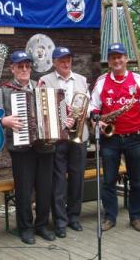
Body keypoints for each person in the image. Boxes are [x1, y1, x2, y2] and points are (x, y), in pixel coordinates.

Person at [0, 50, 66, 244]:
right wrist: (4, 120)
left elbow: (58, 109)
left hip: (45, 146)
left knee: (45, 188)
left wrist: (63, 119)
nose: (24, 69)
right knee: (24, 190)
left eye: (27, 66)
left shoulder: (42, 87)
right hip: (21, 149)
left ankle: (42, 225)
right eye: (20, 66)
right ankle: (25, 227)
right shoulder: (4, 90)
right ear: (12, 68)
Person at [90, 42, 140, 233]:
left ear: (126, 59)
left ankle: (136, 216)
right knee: (108, 180)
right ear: (109, 61)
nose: (117, 60)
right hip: (110, 139)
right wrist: (98, 121)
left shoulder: (138, 80)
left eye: (120, 56)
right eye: (113, 57)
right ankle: (110, 216)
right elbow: (94, 108)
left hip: (134, 137)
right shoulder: (101, 82)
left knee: (137, 180)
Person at [38, 46, 88, 238]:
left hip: (79, 135)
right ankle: (60, 221)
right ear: (54, 62)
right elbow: (42, 108)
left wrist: (79, 116)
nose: (66, 63)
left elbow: (88, 106)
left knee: (77, 179)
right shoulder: (45, 81)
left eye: (68, 59)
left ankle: (74, 217)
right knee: (58, 180)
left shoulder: (82, 81)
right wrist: (61, 120)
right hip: (58, 137)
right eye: (61, 60)